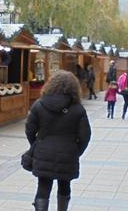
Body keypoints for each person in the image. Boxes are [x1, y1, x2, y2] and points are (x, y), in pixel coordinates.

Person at [25, 71, 91, 211]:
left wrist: (37, 145)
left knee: (43, 186)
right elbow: (85, 136)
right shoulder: (78, 109)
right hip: (68, 152)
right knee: (65, 185)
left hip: (43, 152)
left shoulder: (39, 105)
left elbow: (30, 129)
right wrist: (76, 150)